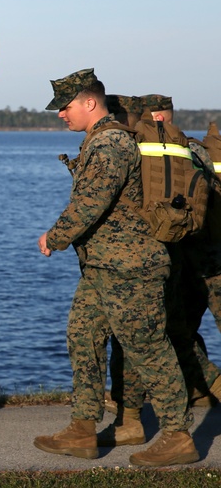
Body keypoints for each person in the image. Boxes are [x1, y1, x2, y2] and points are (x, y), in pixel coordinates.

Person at [34, 69, 198, 467]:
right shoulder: (100, 141)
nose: (61, 115)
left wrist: (54, 237)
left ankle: (177, 435)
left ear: (90, 103)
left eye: (66, 107)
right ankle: (82, 428)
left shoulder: (110, 144)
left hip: (131, 268)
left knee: (147, 348)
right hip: (103, 267)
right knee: (82, 336)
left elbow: (91, 203)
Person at [102, 95, 221, 448]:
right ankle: (200, 390)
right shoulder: (192, 149)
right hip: (207, 254)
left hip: (181, 261)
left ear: (153, 117)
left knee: (158, 336)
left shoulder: (150, 152)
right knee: (178, 334)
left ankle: (136, 414)